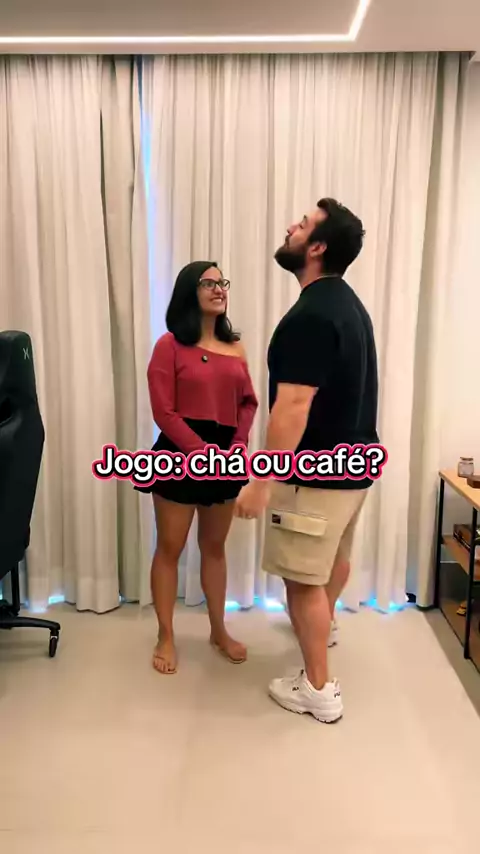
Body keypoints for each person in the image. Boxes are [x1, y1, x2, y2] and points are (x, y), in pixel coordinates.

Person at [235, 199, 379, 723]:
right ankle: (325, 627)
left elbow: (293, 406)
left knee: (301, 581)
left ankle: (318, 688)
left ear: (316, 247)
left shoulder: (312, 315)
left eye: (301, 225)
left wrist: (260, 481)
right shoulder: (348, 305)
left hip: (315, 476)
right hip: (352, 469)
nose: (290, 227)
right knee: (331, 562)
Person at [137, 261, 258, 674]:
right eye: (209, 283)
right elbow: (163, 411)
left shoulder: (235, 348)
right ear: (189, 291)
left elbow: (248, 402)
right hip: (179, 453)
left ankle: (219, 630)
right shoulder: (169, 345)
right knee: (170, 547)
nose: (219, 288)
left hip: (224, 456)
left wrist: (237, 445)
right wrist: (199, 451)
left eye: (222, 282)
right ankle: (166, 635)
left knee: (215, 547)